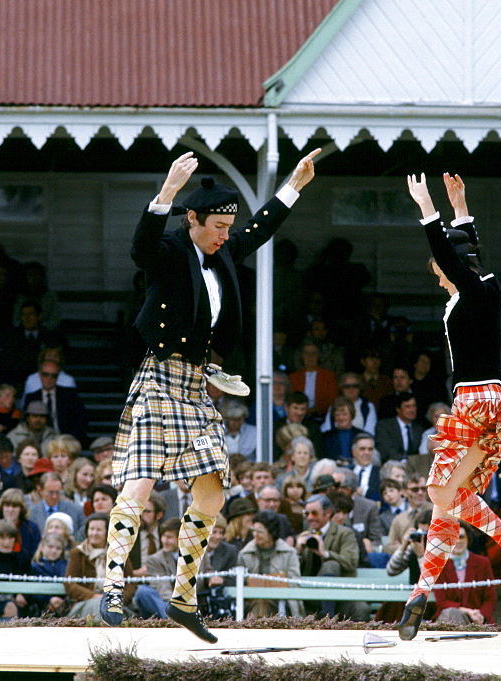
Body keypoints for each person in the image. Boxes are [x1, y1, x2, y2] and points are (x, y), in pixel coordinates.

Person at [101, 149, 320, 641]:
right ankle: (113, 585)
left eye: (228, 226)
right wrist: (167, 193)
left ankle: (183, 597)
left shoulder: (222, 252)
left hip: (198, 385)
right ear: (193, 220)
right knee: (139, 484)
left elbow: (259, 230)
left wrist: (294, 185)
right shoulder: (172, 252)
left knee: (212, 492)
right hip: (159, 379)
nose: (226, 235)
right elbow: (141, 248)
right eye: (217, 226)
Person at [397, 173, 501, 641]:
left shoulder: (472, 290)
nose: (438, 270)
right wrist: (462, 207)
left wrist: (429, 207)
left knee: (440, 493)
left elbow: (456, 254)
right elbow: (467, 251)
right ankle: (421, 591)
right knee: (445, 505)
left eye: (441, 265)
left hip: (475, 401)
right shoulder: (486, 289)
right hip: (486, 401)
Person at [237, 510, 302, 617]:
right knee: (261, 602)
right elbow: (241, 583)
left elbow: (294, 582)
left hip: (282, 601)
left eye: (260, 531)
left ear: (272, 532)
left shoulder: (289, 553)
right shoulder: (245, 553)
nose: (255, 534)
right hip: (253, 603)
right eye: (254, 530)